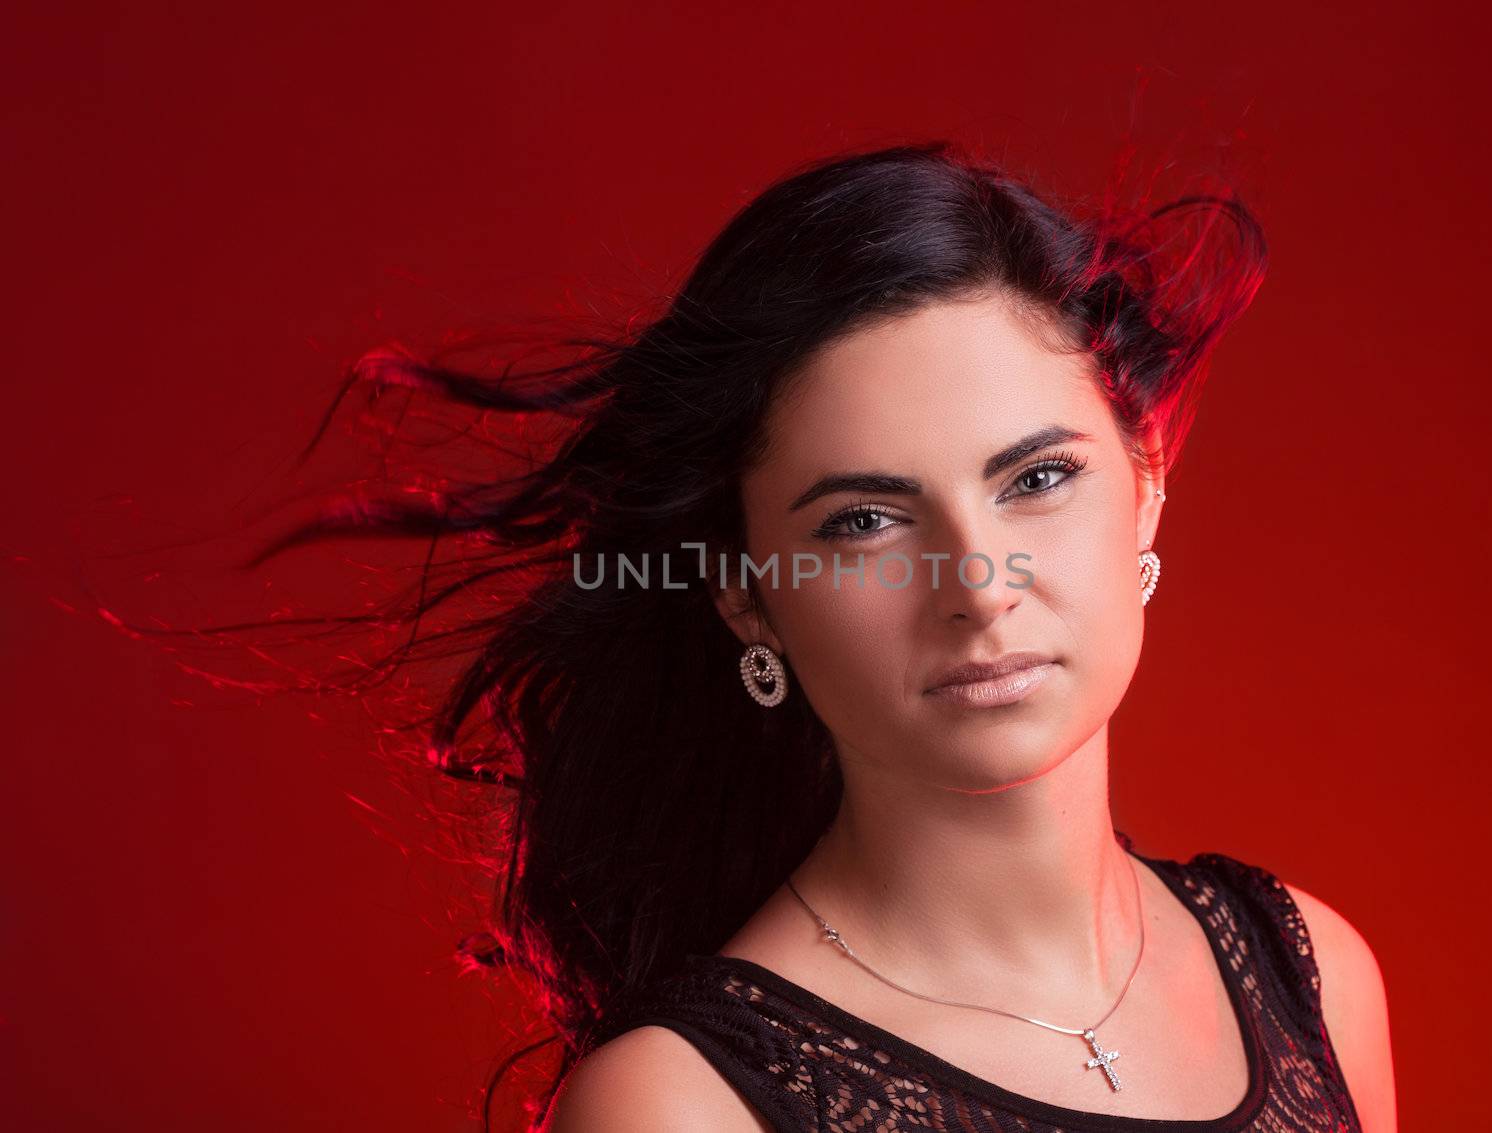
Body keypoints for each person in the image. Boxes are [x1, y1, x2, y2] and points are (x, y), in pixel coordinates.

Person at [275, 141, 1394, 1131]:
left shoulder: (1311, 975)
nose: (976, 585)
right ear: (746, 593)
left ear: (1144, 481)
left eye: (1038, 477)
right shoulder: (682, 1103)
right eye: (865, 520)